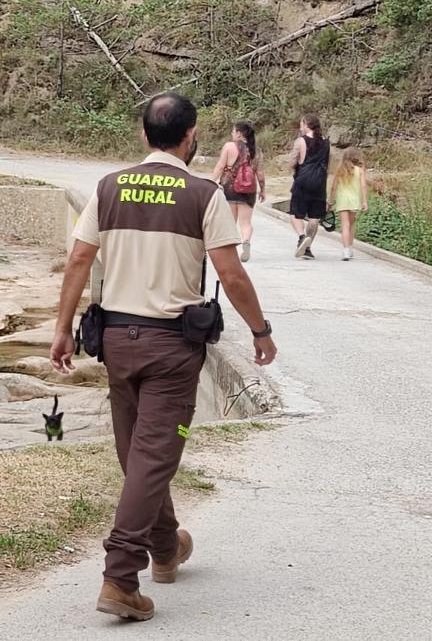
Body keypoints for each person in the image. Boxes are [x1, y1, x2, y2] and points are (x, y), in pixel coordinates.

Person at [49, 93, 277, 621]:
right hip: (172, 348)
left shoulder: (109, 187)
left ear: (143, 133)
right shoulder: (201, 193)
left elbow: (80, 258)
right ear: (191, 136)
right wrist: (260, 330)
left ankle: (167, 549)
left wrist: (63, 330)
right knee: (151, 456)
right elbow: (231, 273)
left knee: (137, 454)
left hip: (116, 345)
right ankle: (120, 577)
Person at [211, 121, 266, 262]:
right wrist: (263, 190)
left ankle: (231, 251)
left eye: (233, 131)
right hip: (248, 190)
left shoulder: (229, 146)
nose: (232, 133)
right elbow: (260, 173)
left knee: (230, 222)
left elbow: (220, 166)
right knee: (245, 223)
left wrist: (210, 182)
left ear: (239, 133)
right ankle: (246, 241)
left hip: (229, 187)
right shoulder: (256, 150)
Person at [288, 113, 330, 259]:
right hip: (320, 182)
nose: (300, 127)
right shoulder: (326, 142)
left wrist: (294, 170)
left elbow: (293, 161)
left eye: (301, 124)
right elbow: (327, 164)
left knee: (294, 214)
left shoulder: (301, 141)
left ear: (306, 124)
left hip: (303, 181)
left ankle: (301, 237)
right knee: (314, 217)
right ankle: (308, 248)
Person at [329, 147, 369, 261]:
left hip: (342, 200)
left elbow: (334, 187)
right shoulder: (359, 170)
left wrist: (330, 200)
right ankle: (350, 247)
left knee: (345, 225)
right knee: (351, 225)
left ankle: (345, 250)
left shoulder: (340, 170)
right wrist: (364, 201)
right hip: (354, 200)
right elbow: (363, 186)